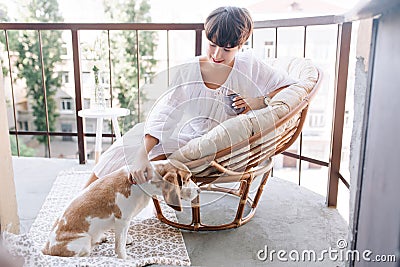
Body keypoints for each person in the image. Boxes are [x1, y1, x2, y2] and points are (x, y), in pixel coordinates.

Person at [84, 6, 296, 187]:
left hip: (230, 149)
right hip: (191, 141)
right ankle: (81, 202)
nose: (217, 55)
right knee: (130, 143)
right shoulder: (190, 69)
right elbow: (167, 110)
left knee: (152, 157)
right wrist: (141, 154)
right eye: (212, 45)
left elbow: (290, 87)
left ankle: (106, 203)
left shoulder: (250, 66)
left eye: (227, 49)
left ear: (241, 46)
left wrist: (259, 101)